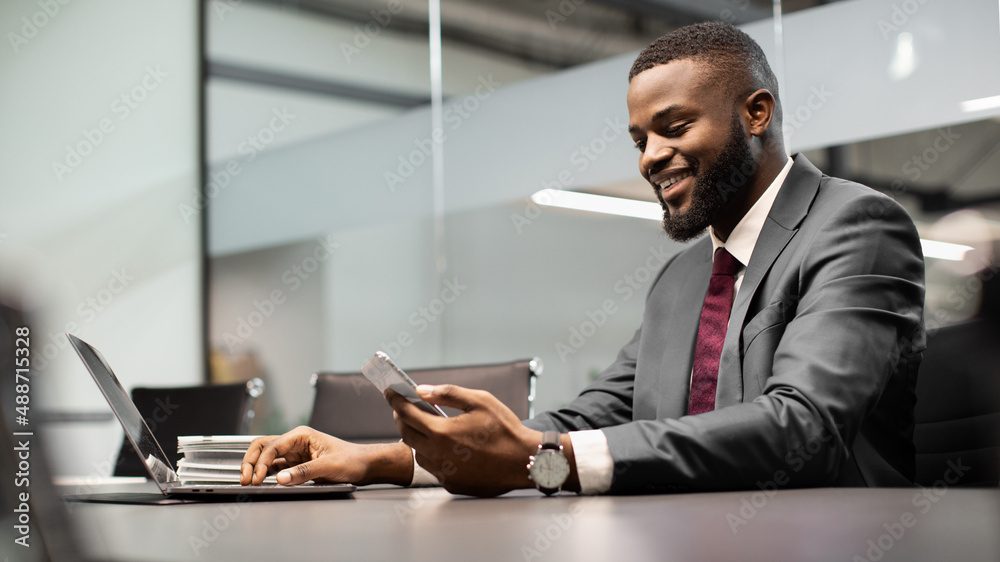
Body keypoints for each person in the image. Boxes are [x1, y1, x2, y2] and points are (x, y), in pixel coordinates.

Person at [241, 22, 925, 497]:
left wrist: (548, 463)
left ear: (756, 112)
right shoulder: (684, 277)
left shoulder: (855, 226)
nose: (650, 156)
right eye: (639, 138)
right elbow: (586, 421)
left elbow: (802, 426)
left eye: (675, 125)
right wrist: (385, 460)